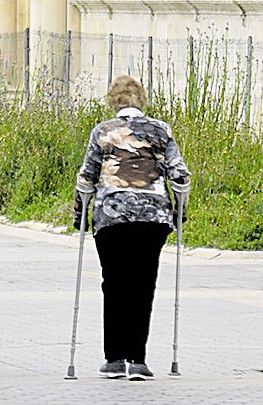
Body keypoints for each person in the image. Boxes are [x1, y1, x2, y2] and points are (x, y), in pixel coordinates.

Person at [74, 75, 190, 381]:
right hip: (152, 218)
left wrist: (79, 215)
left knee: (113, 284)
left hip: (111, 216)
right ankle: (138, 360)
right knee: (143, 284)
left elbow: (86, 178)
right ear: (142, 101)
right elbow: (180, 175)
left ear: (113, 102)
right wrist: (180, 211)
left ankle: (114, 360)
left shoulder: (103, 131)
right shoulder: (161, 130)